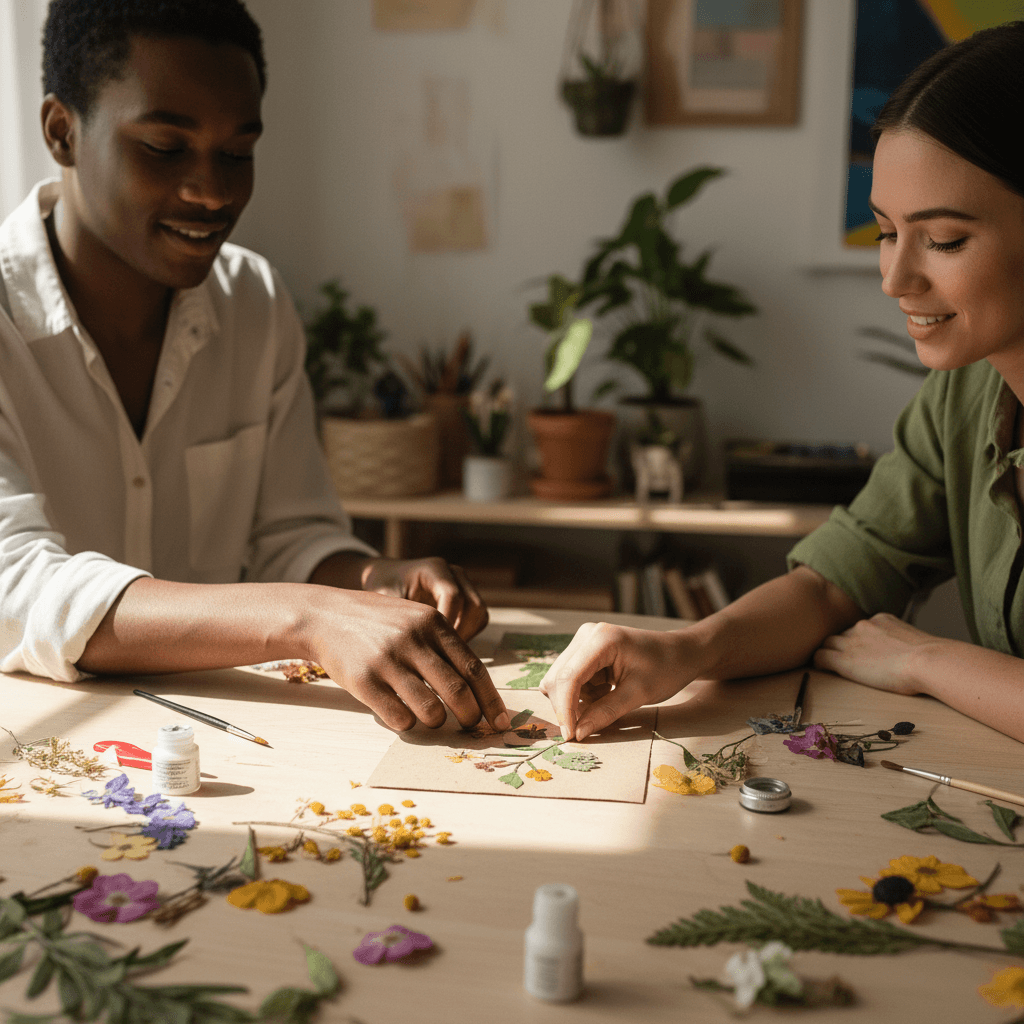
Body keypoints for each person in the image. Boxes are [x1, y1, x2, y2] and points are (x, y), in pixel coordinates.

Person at [0, 0, 512, 736]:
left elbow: (292, 535)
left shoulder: (253, 301)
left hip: (232, 752)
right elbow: (13, 587)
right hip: (38, 757)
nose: (213, 192)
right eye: (165, 148)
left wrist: (373, 580)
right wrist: (306, 617)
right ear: (62, 132)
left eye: (238, 153)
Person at [542, 22, 1024, 745]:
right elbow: (839, 580)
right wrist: (688, 649)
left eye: (945, 239)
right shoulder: (967, 394)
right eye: (887, 231)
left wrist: (927, 660)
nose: (895, 279)